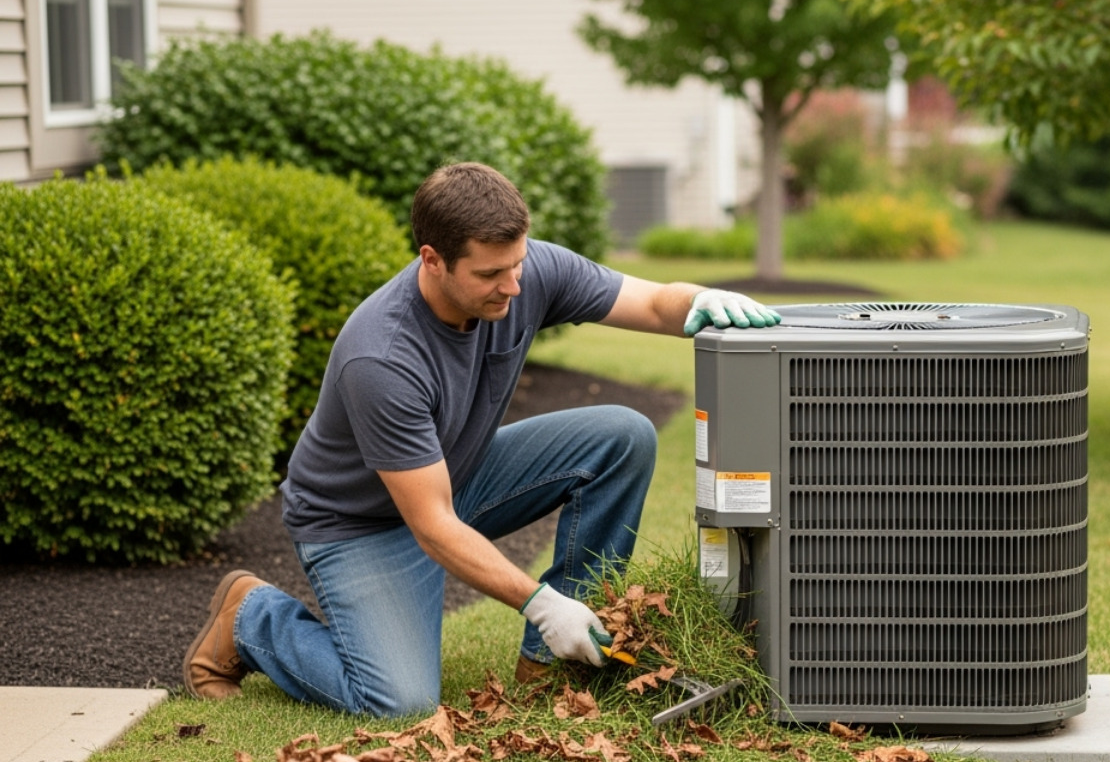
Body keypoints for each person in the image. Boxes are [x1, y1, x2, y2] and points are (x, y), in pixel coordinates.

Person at [182, 162, 779, 716]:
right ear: (433, 260)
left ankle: (552, 664)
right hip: (360, 523)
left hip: (451, 478)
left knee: (621, 436)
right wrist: (541, 604)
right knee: (400, 701)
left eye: (516, 264)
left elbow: (650, 302)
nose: (513, 286)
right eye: (491, 274)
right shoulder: (382, 356)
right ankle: (252, 616)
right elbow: (432, 524)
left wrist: (699, 300)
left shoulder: (522, 270)